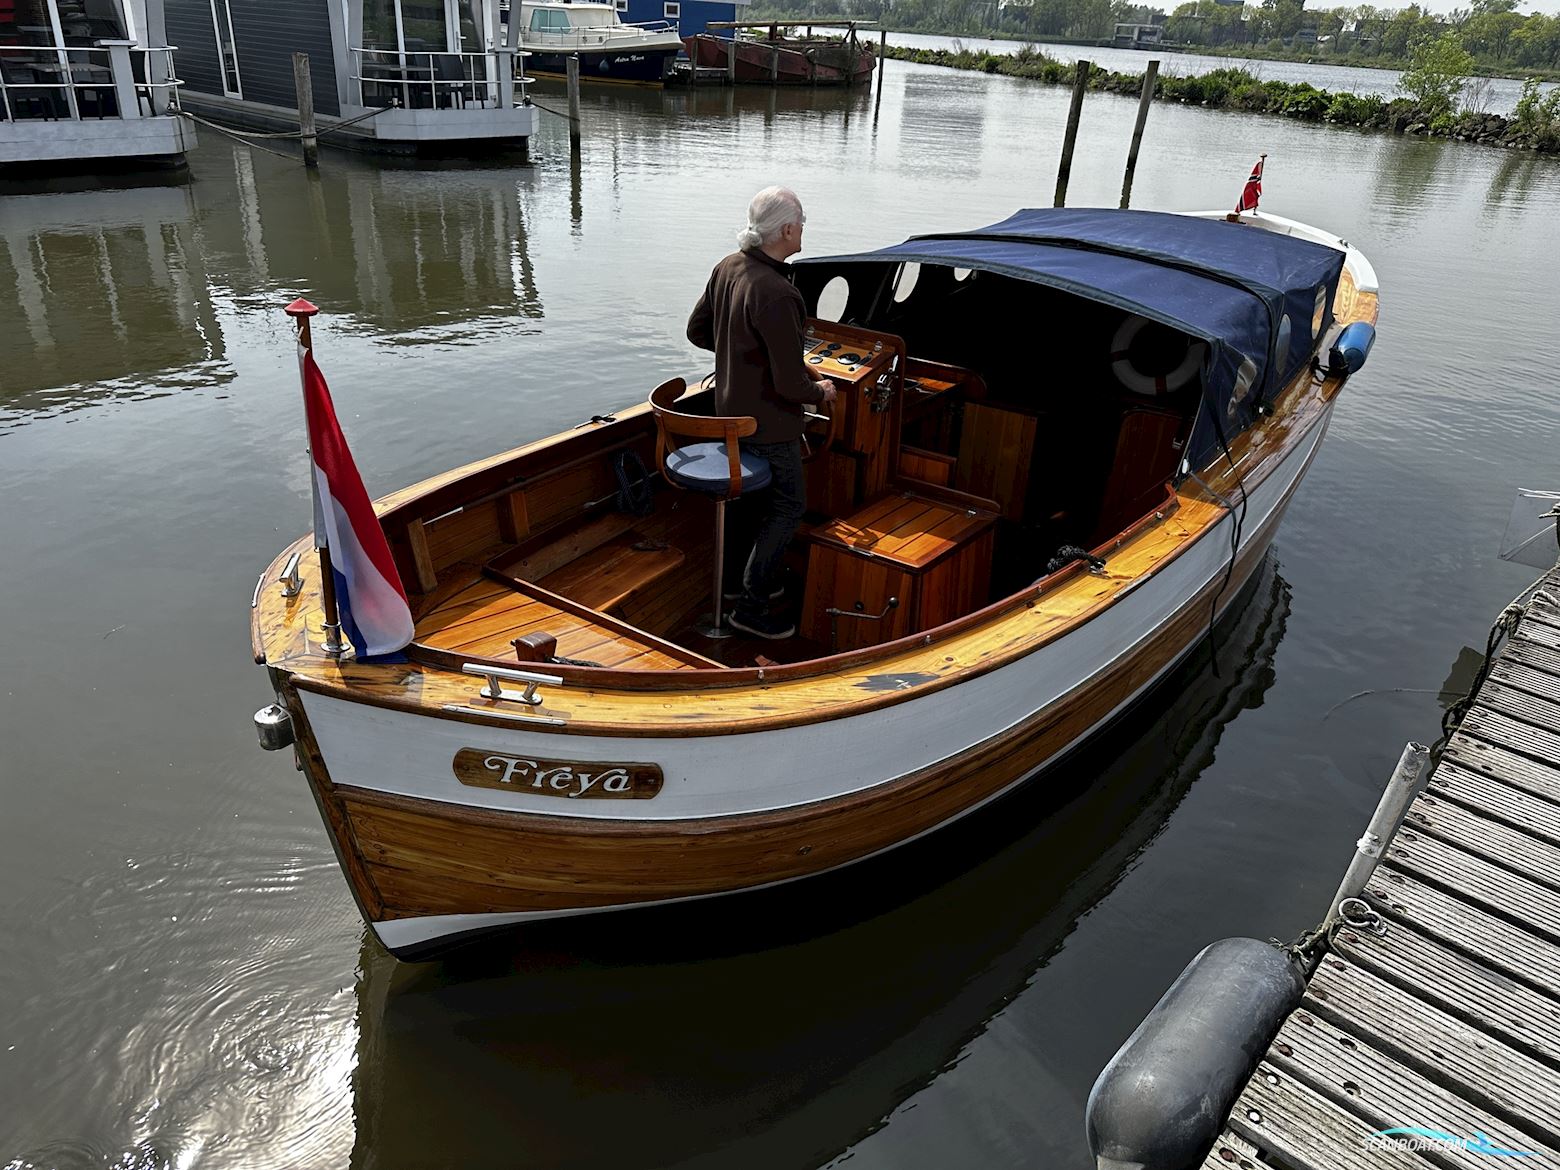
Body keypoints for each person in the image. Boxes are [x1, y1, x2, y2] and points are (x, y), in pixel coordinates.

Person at [686, 186, 837, 640]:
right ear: (787, 229)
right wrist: (822, 391)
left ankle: (736, 585)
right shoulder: (779, 294)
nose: (804, 228)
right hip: (769, 426)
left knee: (750, 506)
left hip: (729, 416)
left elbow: (697, 331)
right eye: (802, 222)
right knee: (790, 507)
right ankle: (751, 606)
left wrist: (741, 355)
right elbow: (793, 385)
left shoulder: (728, 267)